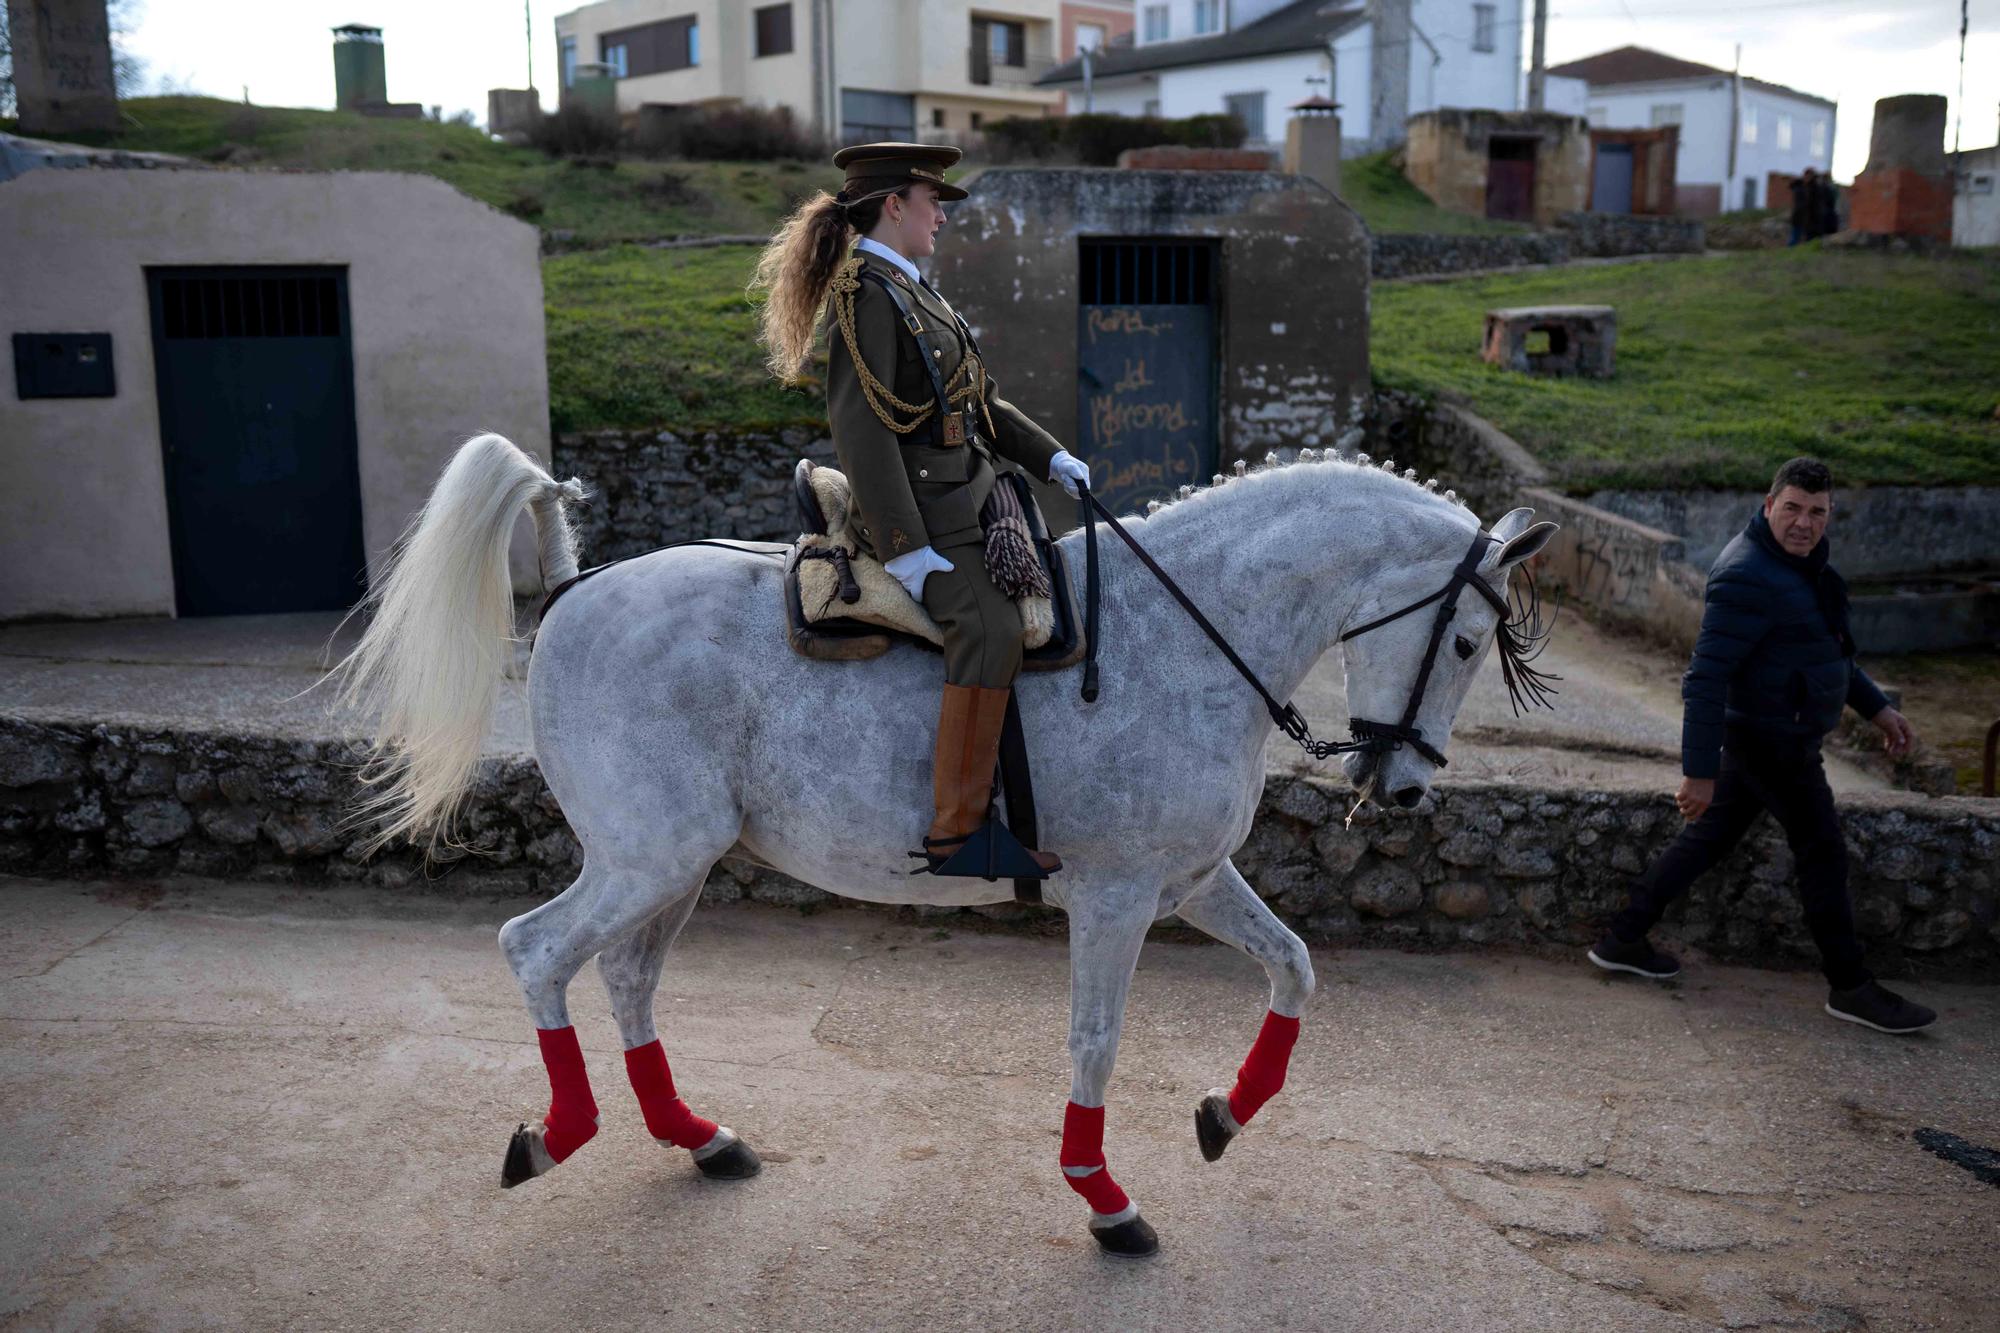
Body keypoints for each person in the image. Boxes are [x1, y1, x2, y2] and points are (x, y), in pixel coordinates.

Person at [749, 142, 1092, 877]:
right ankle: (958, 833)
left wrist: (1052, 457)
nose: (941, 213)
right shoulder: (865, 293)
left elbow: (980, 403)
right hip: (922, 511)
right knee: (991, 627)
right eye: (930, 199)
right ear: (893, 204)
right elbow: (862, 427)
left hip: (970, 491)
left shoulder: (915, 291)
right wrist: (905, 547)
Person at [1589, 458, 1938, 1035]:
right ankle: (1851, 987)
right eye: (1794, 508)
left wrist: (1876, 707)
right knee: (1822, 854)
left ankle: (1622, 937)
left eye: (1817, 512)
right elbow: (1704, 678)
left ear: (1829, 515)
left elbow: (1826, 650)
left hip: (1772, 736)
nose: (1804, 522)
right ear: (1769, 504)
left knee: (1710, 838)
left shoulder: (1800, 565)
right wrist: (1698, 771)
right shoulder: (1748, 576)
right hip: (1774, 743)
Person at [1789, 167, 1817, 245]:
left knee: (1802, 238)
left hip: (1807, 217)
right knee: (1795, 237)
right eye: (1807, 176)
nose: (1808, 178)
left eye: (1810, 176)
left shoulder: (1812, 188)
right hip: (1798, 215)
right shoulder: (1800, 186)